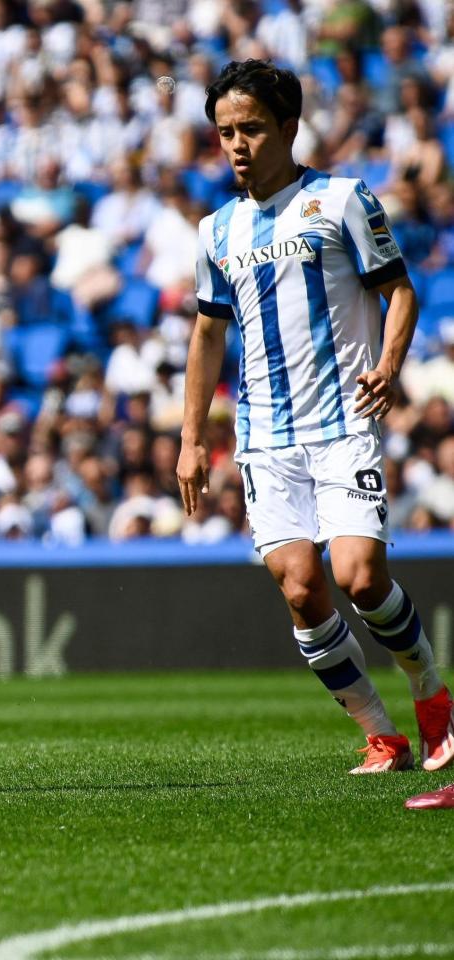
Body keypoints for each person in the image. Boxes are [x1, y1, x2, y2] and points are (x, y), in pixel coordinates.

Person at [177, 61, 452, 778]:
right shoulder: (217, 231)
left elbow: (400, 293)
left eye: (252, 129)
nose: (237, 145)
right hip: (264, 436)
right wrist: (190, 441)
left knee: (361, 578)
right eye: (225, 132)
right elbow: (207, 336)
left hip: (341, 422)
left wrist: (388, 367)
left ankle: (431, 694)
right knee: (301, 588)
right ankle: (381, 735)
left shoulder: (340, 200)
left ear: (290, 128)